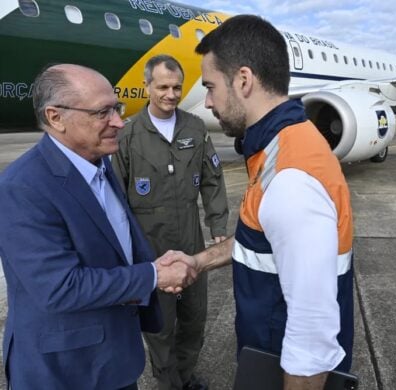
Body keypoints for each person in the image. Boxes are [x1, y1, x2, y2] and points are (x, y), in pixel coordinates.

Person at [169, 14, 354, 390]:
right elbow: (266, 239)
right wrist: (198, 262)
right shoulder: (280, 145)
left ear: (243, 81)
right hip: (269, 358)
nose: (207, 103)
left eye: (210, 87)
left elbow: (312, 338)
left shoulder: (290, 178)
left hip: (281, 371)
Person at [0, 64, 196, 389]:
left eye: (116, 108)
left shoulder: (100, 160)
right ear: (55, 117)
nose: (119, 121)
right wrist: (153, 275)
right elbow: (59, 288)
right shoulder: (22, 187)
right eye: (103, 112)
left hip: (114, 358)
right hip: (65, 370)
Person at [112, 54, 228, 390]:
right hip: (151, 246)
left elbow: (212, 178)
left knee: (194, 319)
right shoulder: (128, 136)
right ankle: (169, 384)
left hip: (191, 239)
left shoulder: (194, 127)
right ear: (147, 86)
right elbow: (116, 198)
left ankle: (186, 376)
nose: (171, 94)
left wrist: (218, 223)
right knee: (160, 326)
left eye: (176, 87)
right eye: (162, 86)